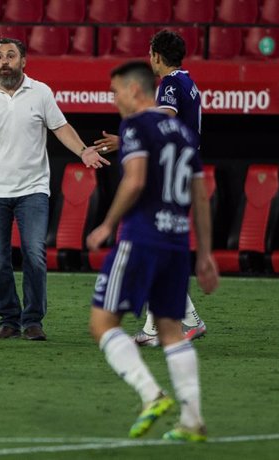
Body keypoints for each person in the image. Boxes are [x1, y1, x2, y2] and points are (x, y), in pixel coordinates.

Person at [86, 61, 218, 441]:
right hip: (177, 244)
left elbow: (136, 179)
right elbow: (200, 196)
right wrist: (205, 254)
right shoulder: (182, 132)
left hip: (141, 238)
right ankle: (192, 421)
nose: (114, 100)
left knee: (102, 324)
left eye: (115, 92)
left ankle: (151, 394)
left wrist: (108, 224)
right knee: (171, 331)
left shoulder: (136, 126)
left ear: (134, 89)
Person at [0, 37, 109, 341]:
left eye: (10, 55)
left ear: (23, 61)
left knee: (34, 255)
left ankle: (33, 321)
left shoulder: (41, 92)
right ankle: (9, 319)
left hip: (33, 190)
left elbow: (60, 127)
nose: (3, 61)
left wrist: (84, 150)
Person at [92, 29, 207, 347]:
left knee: (151, 241)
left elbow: (167, 114)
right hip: (182, 171)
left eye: (150, 53)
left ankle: (177, 322)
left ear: (156, 56)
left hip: (168, 173)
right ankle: (164, 324)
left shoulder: (171, 83)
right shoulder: (188, 82)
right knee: (161, 245)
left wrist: (132, 127)